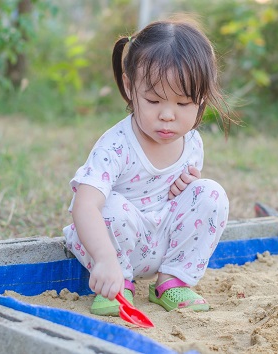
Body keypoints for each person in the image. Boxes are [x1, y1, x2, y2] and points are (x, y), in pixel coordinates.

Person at [63, 17, 237, 316]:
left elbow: (184, 206)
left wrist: (187, 191)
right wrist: (106, 259)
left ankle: (171, 282)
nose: (168, 115)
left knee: (211, 193)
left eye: (183, 104)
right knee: (110, 206)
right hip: (113, 247)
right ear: (131, 88)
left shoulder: (192, 142)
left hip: (160, 243)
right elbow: (84, 206)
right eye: (154, 100)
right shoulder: (117, 145)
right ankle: (121, 284)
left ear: (202, 98)